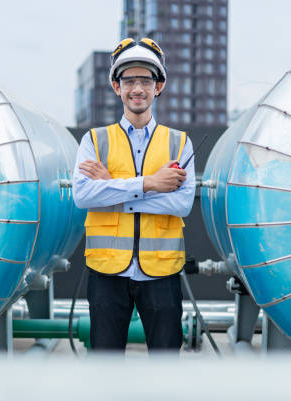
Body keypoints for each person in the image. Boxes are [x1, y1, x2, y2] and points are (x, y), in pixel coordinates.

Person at [72, 37, 195, 353]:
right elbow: (84, 196)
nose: (137, 88)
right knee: (105, 365)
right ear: (116, 87)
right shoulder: (95, 140)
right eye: (129, 80)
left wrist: (111, 187)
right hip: (107, 273)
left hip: (162, 273)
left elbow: (181, 204)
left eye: (145, 79)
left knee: (165, 365)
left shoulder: (179, 143)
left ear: (159, 86)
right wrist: (149, 183)